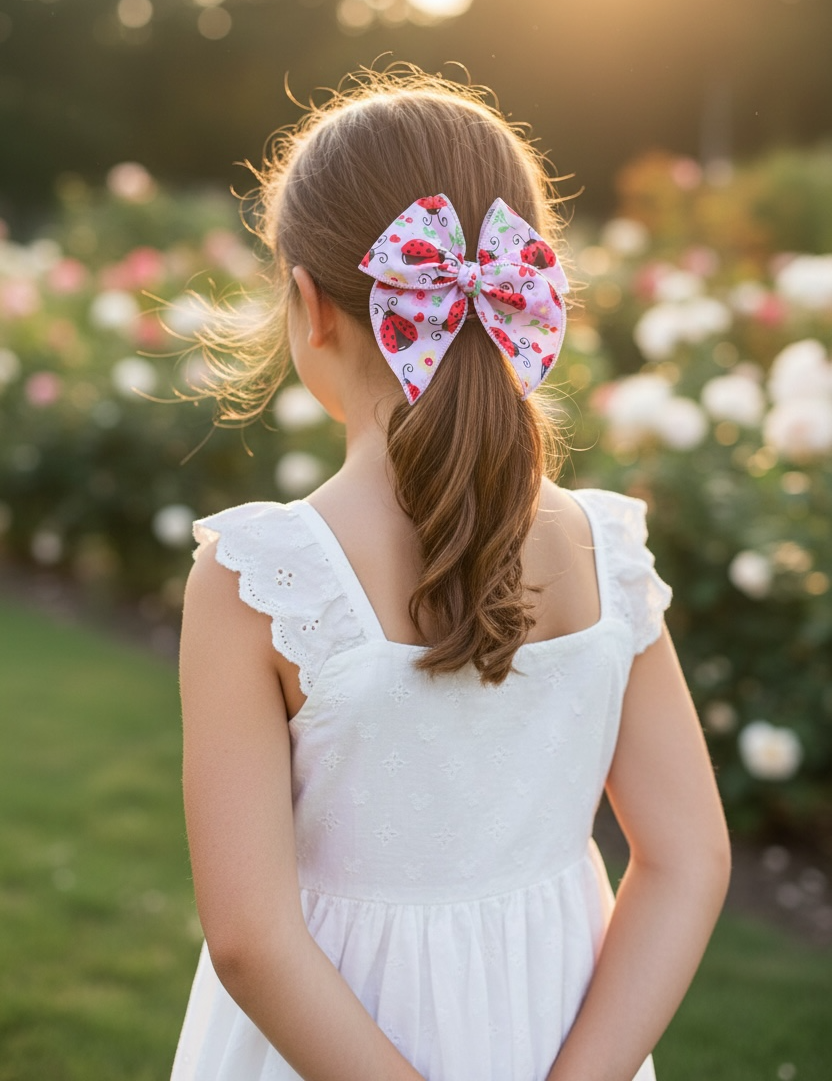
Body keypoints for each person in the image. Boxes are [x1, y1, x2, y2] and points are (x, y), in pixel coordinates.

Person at [170, 67, 731, 1081]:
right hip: (556, 1029)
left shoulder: (258, 578)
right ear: (523, 288)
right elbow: (688, 858)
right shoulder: (607, 554)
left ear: (310, 303)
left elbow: (251, 939)